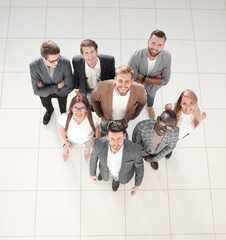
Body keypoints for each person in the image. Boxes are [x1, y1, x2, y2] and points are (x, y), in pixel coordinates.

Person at [90, 120, 144, 195]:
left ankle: (116, 180)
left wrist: (137, 185)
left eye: (119, 139)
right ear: (107, 137)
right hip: (104, 168)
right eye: (112, 139)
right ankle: (103, 174)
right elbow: (93, 158)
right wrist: (92, 173)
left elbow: (139, 168)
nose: (116, 143)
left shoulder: (135, 149)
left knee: (116, 177)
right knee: (104, 172)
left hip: (121, 175)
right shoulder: (98, 143)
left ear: (124, 136)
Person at [91, 65, 146, 135]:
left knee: (122, 131)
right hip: (106, 117)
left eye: (127, 81)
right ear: (115, 79)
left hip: (124, 120)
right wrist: (99, 114)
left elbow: (142, 103)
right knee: (104, 130)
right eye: (120, 81)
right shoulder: (101, 86)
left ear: (132, 81)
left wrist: (132, 116)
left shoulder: (140, 89)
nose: (123, 85)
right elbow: (94, 98)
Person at [128, 30, 171, 119]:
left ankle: (149, 106)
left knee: (151, 95)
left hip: (153, 87)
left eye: (159, 45)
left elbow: (165, 81)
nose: (155, 48)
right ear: (148, 42)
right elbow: (133, 78)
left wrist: (144, 78)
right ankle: (134, 106)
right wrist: (156, 78)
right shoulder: (136, 56)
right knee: (135, 96)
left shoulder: (167, 57)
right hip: (137, 85)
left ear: (163, 46)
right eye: (153, 43)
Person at [30, 40, 74, 125]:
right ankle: (49, 111)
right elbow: (36, 91)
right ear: (43, 58)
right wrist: (58, 86)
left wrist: (44, 87)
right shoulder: (34, 66)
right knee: (46, 104)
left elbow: (69, 86)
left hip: (61, 92)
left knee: (63, 106)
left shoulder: (65, 63)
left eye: (58, 59)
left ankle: (63, 114)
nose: (57, 63)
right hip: (47, 93)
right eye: (52, 61)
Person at [58, 94, 100, 161]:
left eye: (82, 109)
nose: (78, 112)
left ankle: (87, 149)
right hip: (72, 139)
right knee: (67, 146)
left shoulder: (93, 118)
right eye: (75, 108)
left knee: (90, 146)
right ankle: (66, 151)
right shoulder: (65, 118)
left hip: (88, 138)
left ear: (86, 109)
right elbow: (62, 128)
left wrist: (96, 140)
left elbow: (97, 128)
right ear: (71, 109)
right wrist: (65, 140)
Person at [72, 39, 115, 104]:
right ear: (82, 55)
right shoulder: (77, 61)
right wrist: (77, 89)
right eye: (86, 53)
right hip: (87, 90)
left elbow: (113, 78)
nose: (90, 56)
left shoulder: (109, 61)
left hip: (103, 91)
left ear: (96, 51)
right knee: (88, 109)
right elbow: (76, 75)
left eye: (92, 52)